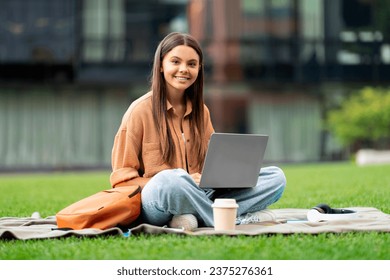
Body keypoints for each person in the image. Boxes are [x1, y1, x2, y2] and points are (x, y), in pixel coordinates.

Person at [110, 32, 286, 230]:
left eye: (192, 64)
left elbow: (211, 167)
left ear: (199, 69)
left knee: (276, 177)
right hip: (158, 200)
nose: (184, 69)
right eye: (175, 62)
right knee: (171, 180)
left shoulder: (201, 112)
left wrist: (220, 176)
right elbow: (122, 182)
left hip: (201, 194)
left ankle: (191, 218)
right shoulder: (139, 111)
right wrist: (179, 181)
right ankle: (227, 218)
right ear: (161, 65)